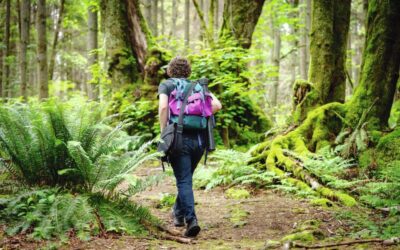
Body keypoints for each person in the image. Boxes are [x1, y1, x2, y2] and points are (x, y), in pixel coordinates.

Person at [158, 56, 222, 237]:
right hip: (200, 141)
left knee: (184, 180)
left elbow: (163, 108)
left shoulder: (167, 85)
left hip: (178, 139)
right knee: (186, 178)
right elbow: (217, 105)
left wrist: (164, 131)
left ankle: (191, 220)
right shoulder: (199, 86)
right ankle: (178, 215)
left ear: (170, 70)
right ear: (188, 71)